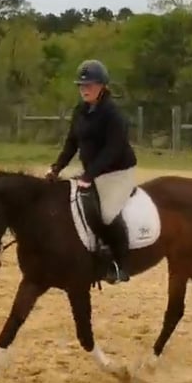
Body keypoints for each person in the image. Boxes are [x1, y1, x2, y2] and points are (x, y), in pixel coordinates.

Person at [46, 59, 137, 284]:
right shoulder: (80, 110)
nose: (84, 89)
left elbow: (113, 149)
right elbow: (71, 142)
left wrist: (89, 175)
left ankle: (120, 264)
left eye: (90, 85)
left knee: (106, 213)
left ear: (102, 86)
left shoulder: (113, 114)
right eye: (81, 85)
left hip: (117, 171)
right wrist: (57, 168)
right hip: (93, 172)